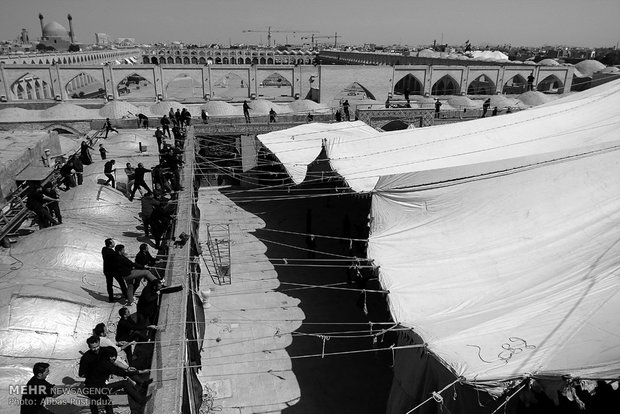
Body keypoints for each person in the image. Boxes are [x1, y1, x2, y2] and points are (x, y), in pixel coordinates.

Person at [102, 238, 128, 303]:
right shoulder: (111, 252)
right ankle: (126, 295)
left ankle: (111, 298)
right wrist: (122, 255)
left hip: (107, 270)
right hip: (113, 271)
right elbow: (117, 257)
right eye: (113, 242)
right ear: (110, 244)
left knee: (109, 284)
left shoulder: (104, 249)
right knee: (121, 282)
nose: (114, 243)